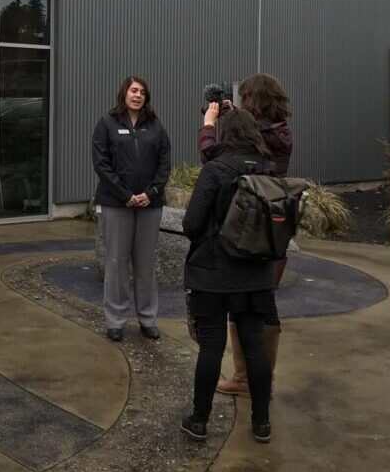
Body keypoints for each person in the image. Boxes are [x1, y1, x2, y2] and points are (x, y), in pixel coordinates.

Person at [181, 108, 275, 444]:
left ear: (226, 134)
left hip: (213, 273)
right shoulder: (268, 169)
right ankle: (262, 423)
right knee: (254, 345)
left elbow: (191, 224)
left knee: (211, 347)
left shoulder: (215, 170)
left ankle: (199, 420)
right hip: (256, 273)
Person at [198, 74, 293, 397]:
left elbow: (214, 158)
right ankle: (258, 377)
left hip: (249, 226)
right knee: (264, 303)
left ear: (253, 100)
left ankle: (245, 379)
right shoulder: (279, 131)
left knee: (249, 303)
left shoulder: (262, 138)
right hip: (273, 227)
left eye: (244, 97)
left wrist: (211, 125)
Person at [92, 76, 172, 342]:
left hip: (150, 205)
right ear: (124, 94)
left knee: (146, 263)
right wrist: (125, 195)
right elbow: (101, 164)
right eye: (133, 90)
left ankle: (147, 318)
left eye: (142, 92)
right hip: (117, 204)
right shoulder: (107, 124)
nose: (138, 95)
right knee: (116, 263)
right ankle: (115, 320)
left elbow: (164, 165)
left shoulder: (156, 127)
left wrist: (150, 193)